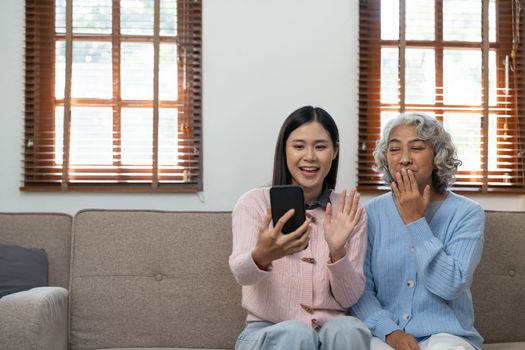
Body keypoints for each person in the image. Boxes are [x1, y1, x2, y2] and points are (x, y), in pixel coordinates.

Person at [229, 106, 371, 350]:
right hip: (266, 331)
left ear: (334, 151)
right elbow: (242, 275)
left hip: (329, 332)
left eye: (320, 146)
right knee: (296, 334)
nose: (310, 156)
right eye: (298, 146)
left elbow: (349, 298)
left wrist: (338, 252)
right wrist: (263, 255)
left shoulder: (350, 212)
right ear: (284, 150)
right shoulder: (253, 204)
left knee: (351, 328)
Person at [352, 112, 484, 350]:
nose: (404, 159)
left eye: (416, 148)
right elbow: (360, 289)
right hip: (385, 336)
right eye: (394, 149)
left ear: (438, 156)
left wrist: (415, 221)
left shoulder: (467, 213)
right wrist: (390, 332)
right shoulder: (370, 213)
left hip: (447, 337)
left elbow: (450, 285)